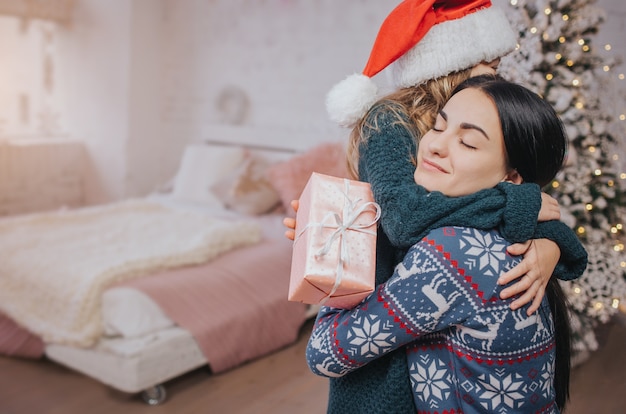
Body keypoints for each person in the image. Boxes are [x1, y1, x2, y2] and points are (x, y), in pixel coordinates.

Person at [287, 1, 587, 412]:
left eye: (497, 67)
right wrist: (513, 200)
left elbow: (542, 226)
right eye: (488, 64)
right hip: (385, 341)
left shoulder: (475, 132)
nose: (495, 76)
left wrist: (548, 243)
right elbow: (405, 220)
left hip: (432, 331)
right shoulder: (393, 123)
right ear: (452, 60)